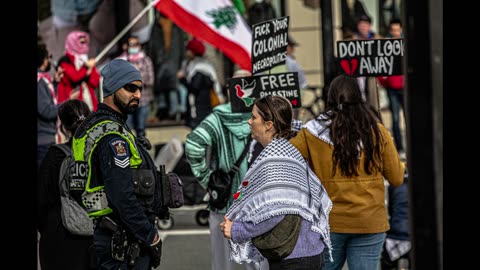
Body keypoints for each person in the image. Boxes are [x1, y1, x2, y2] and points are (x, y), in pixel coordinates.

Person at [289, 74, 405, 270]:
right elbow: (396, 178)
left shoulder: (310, 133)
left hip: (328, 223)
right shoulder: (377, 132)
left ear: (330, 99)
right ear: (359, 98)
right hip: (369, 221)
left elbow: (286, 164)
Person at [220, 95, 333, 270]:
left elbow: (275, 211)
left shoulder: (275, 160)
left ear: (268, 125)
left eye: (254, 117)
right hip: (306, 252)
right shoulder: (287, 151)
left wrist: (238, 230)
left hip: (294, 258)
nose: (249, 122)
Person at [72, 59, 165, 270]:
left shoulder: (97, 125)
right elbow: (122, 195)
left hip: (111, 234)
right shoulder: (112, 136)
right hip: (123, 238)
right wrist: (150, 236)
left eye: (140, 89)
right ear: (112, 88)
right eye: (130, 88)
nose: (138, 95)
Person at [184, 69, 267, 270]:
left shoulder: (218, 118)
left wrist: (208, 180)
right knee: (258, 262)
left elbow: (193, 146)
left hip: (223, 202)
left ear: (230, 91)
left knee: (222, 265)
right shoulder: (262, 117)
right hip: (257, 202)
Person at [37, 99, 94, 270]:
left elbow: (40, 201)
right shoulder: (100, 154)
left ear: (63, 126)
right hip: (97, 238)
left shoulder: (54, 157)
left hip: (60, 238)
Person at [178, 38, 225, 128]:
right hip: (208, 108)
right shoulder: (207, 65)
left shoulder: (198, 69)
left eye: (188, 50)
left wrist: (182, 79)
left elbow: (194, 88)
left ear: (193, 51)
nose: (187, 52)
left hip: (199, 109)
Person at [377, 19, 406, 159]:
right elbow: (380, 66)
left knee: (407, 118)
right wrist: (384, 81)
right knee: (395, 119)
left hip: (404, 88)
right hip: (392, 89)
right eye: (393, 30)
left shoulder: (406, 45)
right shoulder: (386, 46)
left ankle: (407, 147)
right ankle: (400, 148)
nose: (395, 33)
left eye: (397, 30)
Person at [117, 35, 155, 138]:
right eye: (131, 44)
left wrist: (134, 82)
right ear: (126, 46)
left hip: (143, 101)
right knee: (126, 130)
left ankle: (142, 152)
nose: (134, 46)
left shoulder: (146, 60)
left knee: (141, 130)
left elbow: (150, 80)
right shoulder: (121, 61)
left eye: (136, 44)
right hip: (126, 102)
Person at [57, 30, 100, 112]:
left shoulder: (85, 59)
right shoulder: (65, 60)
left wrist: (90, 69)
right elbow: (75, 77)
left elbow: (95, 82)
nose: (83, 45)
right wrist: (86, 67)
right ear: (72, 42)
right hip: (72, 105)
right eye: (80, 42)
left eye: (84, 42)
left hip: (89, 103)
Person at [38, 44, 65, 168]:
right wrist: (67, 103)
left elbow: (45, 101)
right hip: (43, 141)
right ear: (43, 59)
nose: (50, 60)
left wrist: (55, 83)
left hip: (46, 139)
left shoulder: (43, 80)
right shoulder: (39, 81)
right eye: (49, 57)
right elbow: (45, 110)